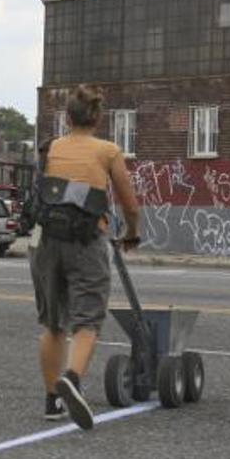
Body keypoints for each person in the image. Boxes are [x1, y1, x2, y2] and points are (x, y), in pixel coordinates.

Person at [33, 85, 141, 430]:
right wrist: (131, 232)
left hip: (47, 241)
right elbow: (130, 203)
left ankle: (52, 401)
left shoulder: (49, 149)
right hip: (86, 241)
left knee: (52, 324)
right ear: (98, 118)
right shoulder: (108, 150)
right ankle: (73, 380)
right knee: (87, 322)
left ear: (67, 118)